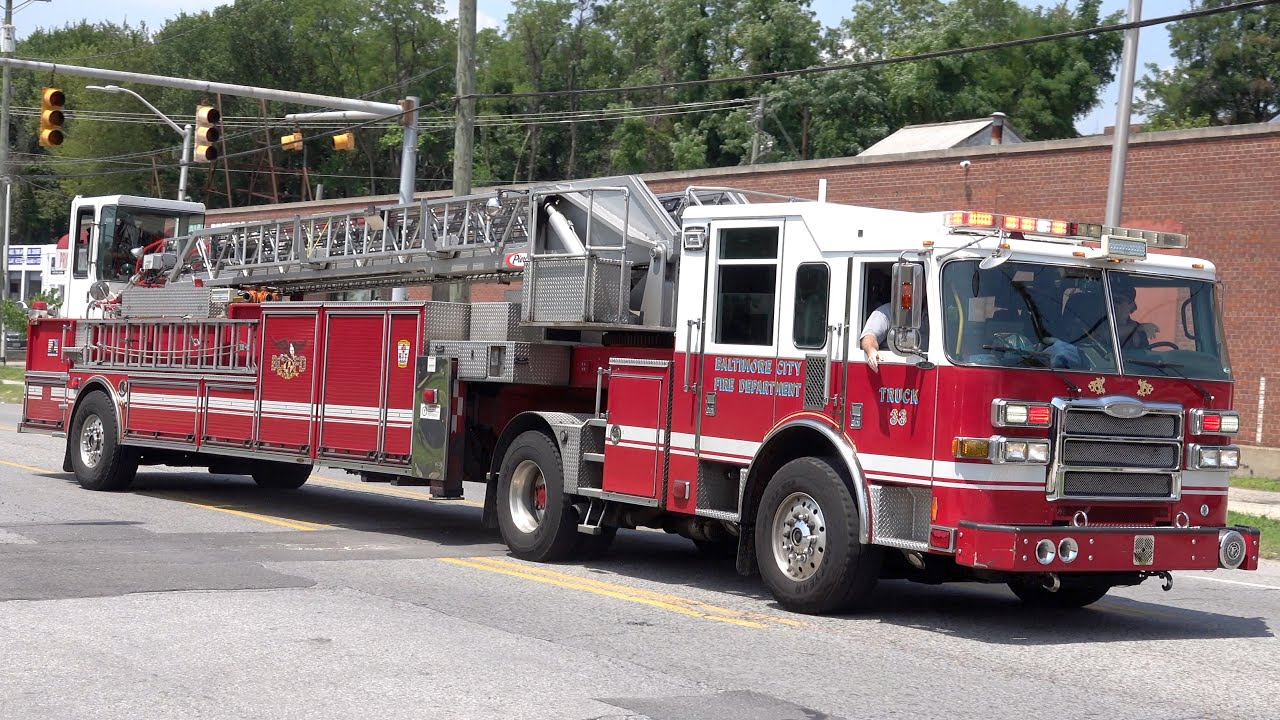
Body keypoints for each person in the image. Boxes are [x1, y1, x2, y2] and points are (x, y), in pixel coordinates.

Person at [1111, 281, 1157, 349]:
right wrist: (1137, 327)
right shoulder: (1100, 323)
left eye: (1119, 301)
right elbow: (1105, 334)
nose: (1114, 304)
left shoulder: (1139, 332)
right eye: (1112, 300)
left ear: (1131, 305)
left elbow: (1146, 355)